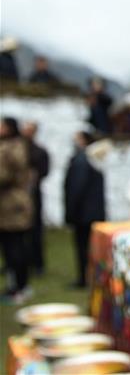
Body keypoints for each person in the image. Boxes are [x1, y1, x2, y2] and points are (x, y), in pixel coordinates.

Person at [64, 130, 106, 288]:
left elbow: (76, 188)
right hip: (93, 211)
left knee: (83, 247)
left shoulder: (83, 159)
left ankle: (85, 278)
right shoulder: (94, 158)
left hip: (83, 213)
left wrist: (70, 211)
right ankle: (92, 277)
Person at [0, 117, 33, 304]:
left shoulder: (14, 147)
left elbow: (4, 174)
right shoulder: (11, 146)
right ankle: (15, 285)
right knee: (10, 248)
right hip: (7, 207)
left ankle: (20, 287)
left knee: (15, 248)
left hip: (13, 206)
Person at [21, 121, 50, 276]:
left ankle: (38, 264)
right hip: (19, 195)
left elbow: (44, 171)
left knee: (35, 230)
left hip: (33, 194)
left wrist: (33, 178)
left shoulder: (39, 151)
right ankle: (22, 262)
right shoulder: (19, 149)